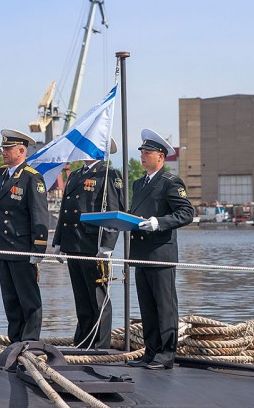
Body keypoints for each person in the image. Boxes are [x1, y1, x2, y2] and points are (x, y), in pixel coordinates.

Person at [127, 128, 194, 370]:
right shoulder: (138, 184)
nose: (143, 156)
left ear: (161, 157)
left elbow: (187, 213)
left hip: (161, 253)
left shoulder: (170, 182)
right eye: (142, 151)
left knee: (165, 305)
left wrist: (159, 222)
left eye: (148, 152)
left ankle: (166, 354)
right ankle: (151, 351)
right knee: (147, 306)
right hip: (141, 254)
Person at [0, 129, 49, 342]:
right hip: (2, 246)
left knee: (29, 299)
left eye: (8, 149)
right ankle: (15, 339)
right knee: (10, 299)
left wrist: (39, 249)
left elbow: (39, 216)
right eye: (3, 148)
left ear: (21, 150)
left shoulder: (31, 178)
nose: (3, 152)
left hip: (22, 247)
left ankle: (30, 341)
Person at [52, 139, 125, 349]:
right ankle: (83, 340)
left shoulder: (109, 174)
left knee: (98, 298)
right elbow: (65, 211)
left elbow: (114, 211)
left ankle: (100, 345)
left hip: (94, 245)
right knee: (82, 298)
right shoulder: (76, 175)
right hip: (73, 244)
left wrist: (107, 246)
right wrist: (58, 242)